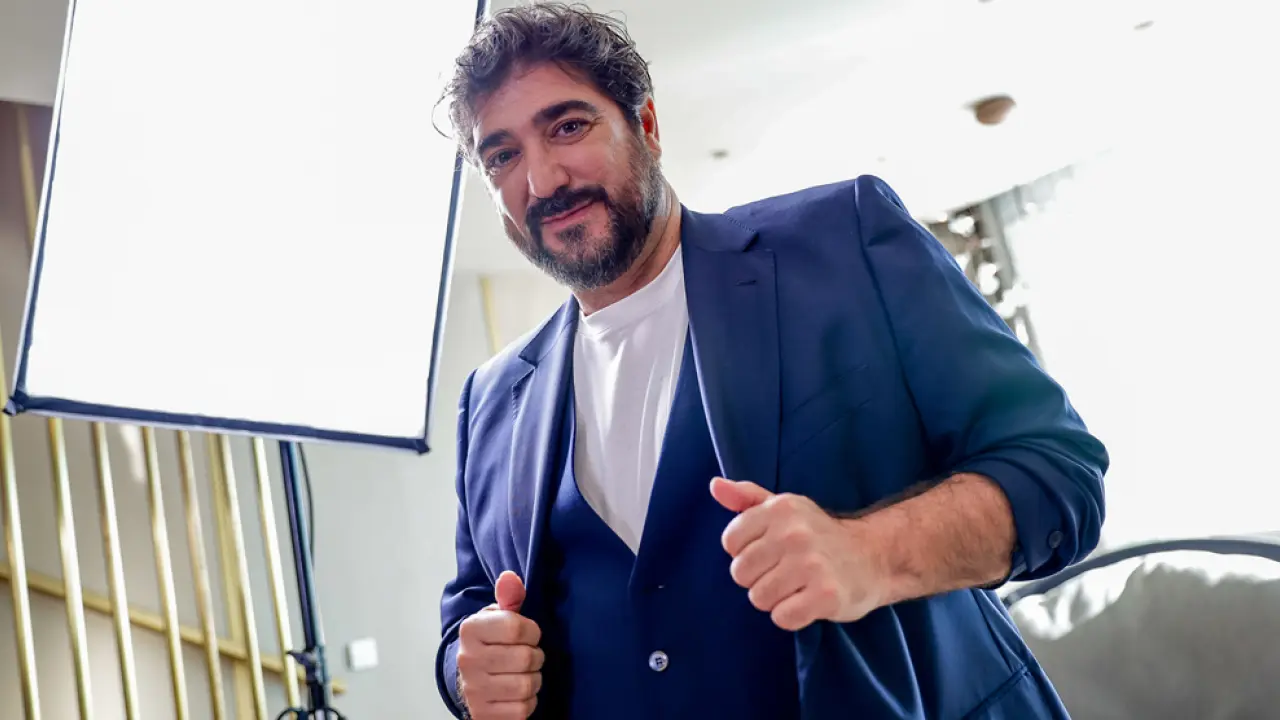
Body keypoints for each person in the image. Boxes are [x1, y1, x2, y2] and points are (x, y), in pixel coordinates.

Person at [433, 4, 1107, 719]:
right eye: (501, 156)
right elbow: (471, 609)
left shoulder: (846, 240)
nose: (542, 180)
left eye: (568, 126)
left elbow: (1057, 475)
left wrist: (871, 554)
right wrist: (465, 675)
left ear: (646, 125)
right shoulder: (490, 400)